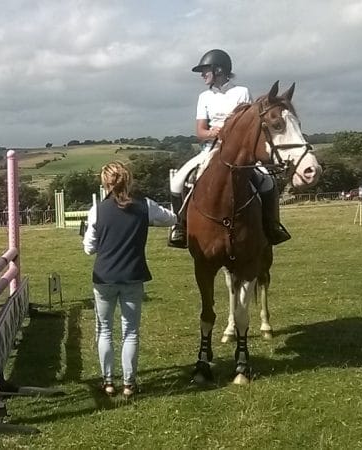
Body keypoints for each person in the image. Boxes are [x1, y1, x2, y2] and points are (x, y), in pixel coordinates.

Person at [167, 49, 291, 248]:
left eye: (205, 70)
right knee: (177, 182)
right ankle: (180, 227)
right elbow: (200, 131)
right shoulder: (204, 97)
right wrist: (212, 133)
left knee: (268, 182)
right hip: (211, 150)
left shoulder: (241, 92)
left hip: (240, 152)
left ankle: (272, 225)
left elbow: (251, 124)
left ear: (218, 69)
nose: (202, 75)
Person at [82, 161, 177, 398]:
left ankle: (107, 382)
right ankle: (129, 383)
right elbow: (171, 218)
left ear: (105, 183)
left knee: (104, 330)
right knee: (131, 331)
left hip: (104, 277)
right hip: (133, 275)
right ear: (129, 180)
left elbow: (89, 248)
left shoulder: (97, 210)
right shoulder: (145, 205)